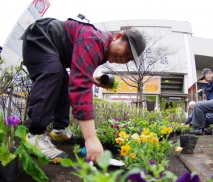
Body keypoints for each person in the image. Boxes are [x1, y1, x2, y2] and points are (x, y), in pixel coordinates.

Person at [20, 17, 146, 164]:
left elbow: (79, 71)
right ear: (118, 37)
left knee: (63, 79)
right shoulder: (95, 40)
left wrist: (92, 79)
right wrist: (91, 138)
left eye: (129, 59)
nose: (124, 58)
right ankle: (35, 135)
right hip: (39, 38)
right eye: (127, 52)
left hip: (52, 49)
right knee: (53, 72)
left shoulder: (102, 50)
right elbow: (80, 86)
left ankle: (59, 131)